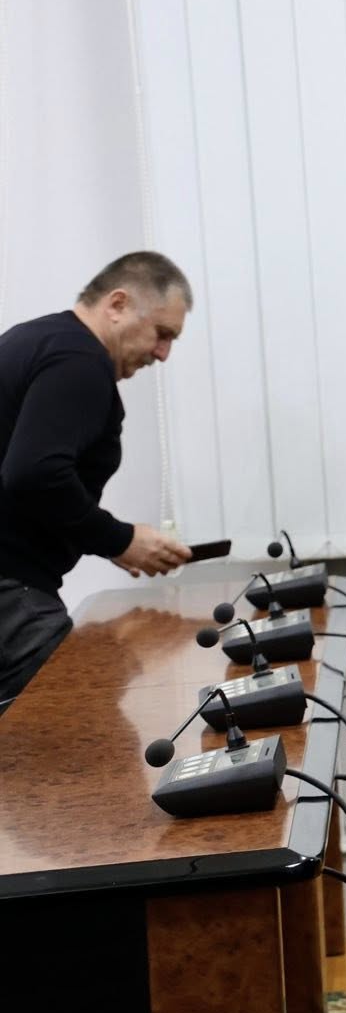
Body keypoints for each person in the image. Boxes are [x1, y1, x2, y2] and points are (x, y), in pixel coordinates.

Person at [0, 252, 193, 713]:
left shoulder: (37, 340)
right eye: (162, 333)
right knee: (82, 735)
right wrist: (119, 539)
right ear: (118, 304)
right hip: (11, 591)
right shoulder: (80, 359)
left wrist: (113, 541)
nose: (163, 353)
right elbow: (35, 473)